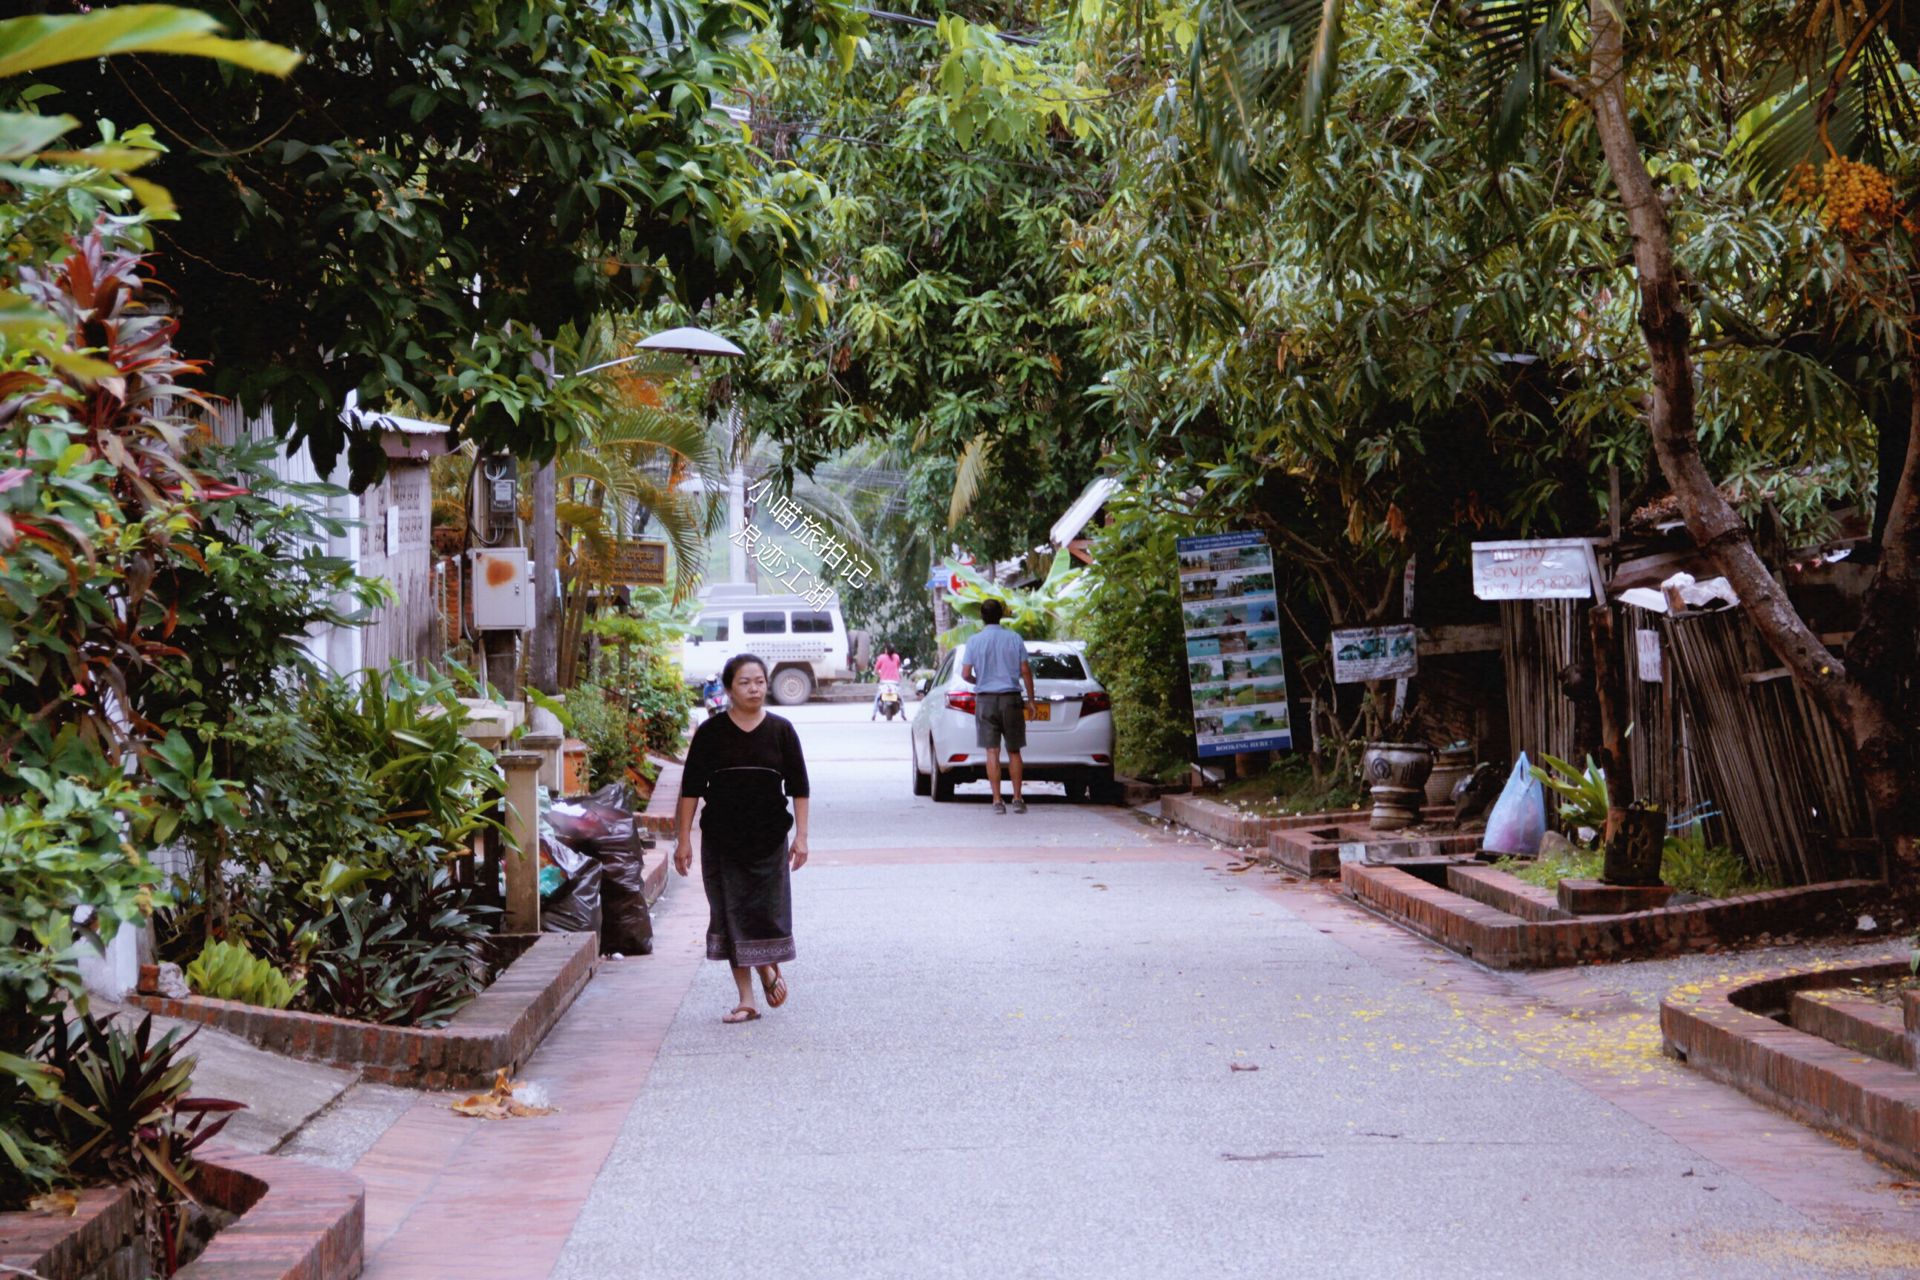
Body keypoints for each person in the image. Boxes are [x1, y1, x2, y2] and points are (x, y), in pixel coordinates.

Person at [672, 654, 811, 1024]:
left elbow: (799, 785)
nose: (754, 688)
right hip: (721, 840)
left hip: (769, 840)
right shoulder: (711, 733)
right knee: (729, 914)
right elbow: (690, 790)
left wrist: (802, 837)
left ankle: (767, 964)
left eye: (760, 681)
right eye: (745, 683)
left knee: (764, 913)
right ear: (729, 689)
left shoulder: (781, 730)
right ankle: (746, 999)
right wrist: (683, 840)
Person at [961, 598, 1036, 814]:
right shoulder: (1014, 638)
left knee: (991, 751)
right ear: (1001, 615)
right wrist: (1030, 700)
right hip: (1011, 698)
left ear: (982, 617)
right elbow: (1025, 671)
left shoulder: (974, 641)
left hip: (985, 700)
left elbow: (965, 674)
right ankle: (1018, 798)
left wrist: (981, 681)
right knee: (1014, 750)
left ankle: (996, 800)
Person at [870, 644, 903, 720]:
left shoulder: (881, 658)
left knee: (877, 697)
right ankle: (903, 714)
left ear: (886, 650)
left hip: (884, 682)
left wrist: (879, 673)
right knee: (900, 698)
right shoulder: (896, 657)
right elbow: (898, 668)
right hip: (895, 682)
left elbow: (875, 670)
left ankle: (874, 714)